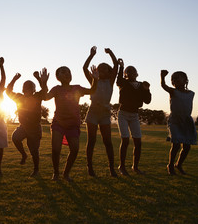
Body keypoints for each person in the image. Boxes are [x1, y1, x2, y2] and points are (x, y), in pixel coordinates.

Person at [45, 66, 98, 182]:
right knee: (56, 149)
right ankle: (56, 173)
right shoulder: (56, 89)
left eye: (69, 71)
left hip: (73, 124)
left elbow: (92, 90)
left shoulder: (77, 88)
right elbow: (45, 97)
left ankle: (66, 173)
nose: (67, 74)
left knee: (75, 149)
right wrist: (43, 83)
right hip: (58, 123)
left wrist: (95, 79)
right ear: (57, 77)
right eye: (63, 72)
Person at [6, 68, 49, 177]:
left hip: (34, 128)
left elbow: (45, 91)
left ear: (34, 89)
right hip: (23, 127)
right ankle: (24, 155)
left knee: (34, 150)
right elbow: (8, 92)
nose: (27, 89)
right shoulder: (19, 97)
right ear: (23, 89)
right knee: (15, 138)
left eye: (30, 87)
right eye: (25, 87)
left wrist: (40, 79)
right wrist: (14, 79)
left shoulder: (37, 96)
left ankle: (36, 170)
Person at [83, 46, 118, 177]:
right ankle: (90, 167)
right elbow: (84, 68)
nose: (100, 70)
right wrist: (91, 55)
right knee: (91, 140)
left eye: (104, 68)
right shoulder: (94, 80)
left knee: (107, 141)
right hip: (92, 111)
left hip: (104, 113)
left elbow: (115, 66)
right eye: (99, 68)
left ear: (109, 72)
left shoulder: (110, 81)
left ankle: (111, 168)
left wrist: (111, 53)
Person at [116, 59, 151, 175]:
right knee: (125, 140)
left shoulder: (141, 85)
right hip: (123, 114)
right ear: (125, 75)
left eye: (133, 71)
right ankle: (122, 166)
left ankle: (135, 167)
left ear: (137, 74)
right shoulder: (123, 83)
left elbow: (147, 101)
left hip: (134, 115)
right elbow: (119, 79)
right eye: (128, 72)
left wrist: (147, 90)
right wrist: (121, 67)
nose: (131, 73)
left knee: (138, 142)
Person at [161, 70, 197, 175]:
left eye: (177, 78)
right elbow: (163, 86)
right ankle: (170, 165)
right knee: (176, 144)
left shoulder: (191, 94)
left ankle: (179, 164)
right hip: (175, 121)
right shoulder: (173, 92)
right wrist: (162, 77)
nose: (174, 80)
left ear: (185, 80)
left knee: (187, 146)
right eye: (173, 79)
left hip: (186, 121)